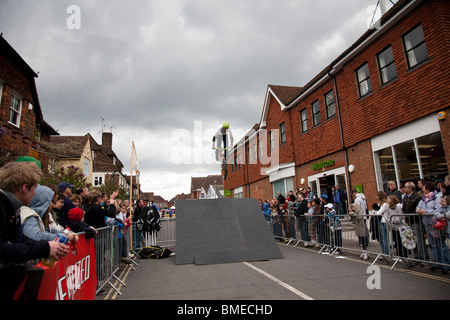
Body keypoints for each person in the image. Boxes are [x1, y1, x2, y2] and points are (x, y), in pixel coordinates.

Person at [0, 162, 69, 299]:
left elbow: (19, 239)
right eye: (34, 188)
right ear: (24, 188)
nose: (35, 193)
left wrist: (48, 247)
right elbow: (2, 249)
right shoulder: (2, 206)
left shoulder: (12, 207)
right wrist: (45, 248)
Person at [417, 182, 442, 271]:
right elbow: (418, 207)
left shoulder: (436, 197)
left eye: (423, 188)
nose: (422, 189)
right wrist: (419, 211)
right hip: (427, 223)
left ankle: (445, 263)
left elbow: (437, 209)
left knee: (440, 244)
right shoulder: (423, 199)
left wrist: (425, 212)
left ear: (428, 189)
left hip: (435, 223)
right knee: (433, 244)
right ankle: (437, 262)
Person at [402, 182, 428, 264]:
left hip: (416, 220)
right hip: (409, 221)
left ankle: (424, 258)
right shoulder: (405, 197)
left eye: (405, 187)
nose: (404, 188)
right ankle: (416, 257)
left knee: (419, 240)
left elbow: (417, 209)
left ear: (410, 188)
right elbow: (404, 207)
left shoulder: (417, 197)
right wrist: (405, 216)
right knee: (413, 240)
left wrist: (409, 215)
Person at [428, 195, 450, 274]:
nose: (442, 203)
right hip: (440, 230)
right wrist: (441, 215)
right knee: (437, 246)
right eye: (441, 201)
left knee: (443, 247)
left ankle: (446, 264)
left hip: (446, 230)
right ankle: (440, 263)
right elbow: (436, 212)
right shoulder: (441, 208)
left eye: (443, 201)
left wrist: (444, 215)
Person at [385, 195, 406, 259]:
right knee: (396, 241)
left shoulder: (398, 207)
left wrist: (393, 221)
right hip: (393, 227)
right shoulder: (388, 207)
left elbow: (400, 216)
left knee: (400, 241)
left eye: (388, 199)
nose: (387, 200)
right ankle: (399, 255)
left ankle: (403, 256)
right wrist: (389, 222)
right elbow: (388, 216)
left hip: (399, 226)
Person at [373, 191, 389, 257]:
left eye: (378, 196)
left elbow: (378, 213)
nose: (376, 197)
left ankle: (386, 252)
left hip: (384, 222)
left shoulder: (385, 204)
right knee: (380, 238)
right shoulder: (380, 204)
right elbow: (375, 211)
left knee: (384, 238)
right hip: (380, 221)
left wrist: (376, 212)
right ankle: (383, 251)